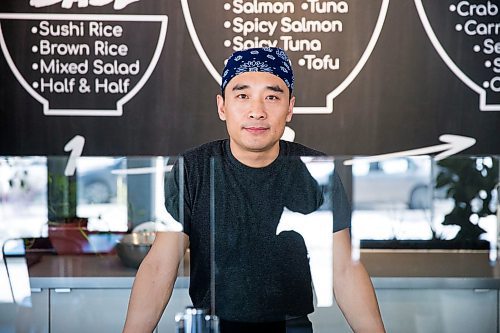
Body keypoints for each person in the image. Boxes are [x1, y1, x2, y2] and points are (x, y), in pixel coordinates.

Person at [122, 47, 385, 333]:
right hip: (212, 326)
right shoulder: (192, 168)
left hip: (291, 327)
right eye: (242, 96)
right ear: (222, 106)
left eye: (272, 97)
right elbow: (160, 266)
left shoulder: (314, 170)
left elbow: (344, 269)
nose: (257, 111)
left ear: (290, 107)